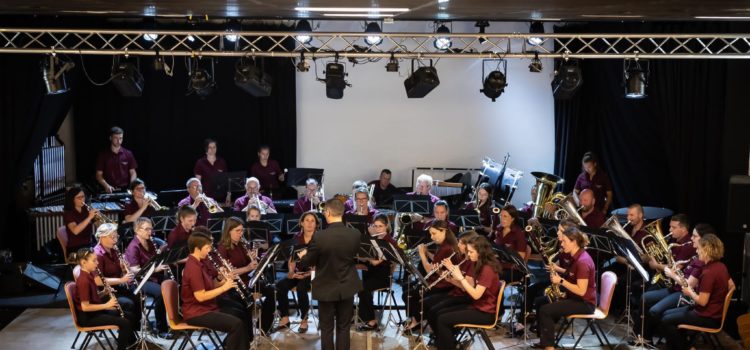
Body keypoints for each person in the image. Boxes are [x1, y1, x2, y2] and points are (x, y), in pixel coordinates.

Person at [632, 222, 712, 344]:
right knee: (645, 297)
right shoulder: (696, 256)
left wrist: (672, 274)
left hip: (683, 294)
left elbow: (689, 285)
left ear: (703, 238)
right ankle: (645, 337)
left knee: (655, 310)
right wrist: (676, 269)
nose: (691, 238)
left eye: (694, 236)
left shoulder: (701, 259)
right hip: (676, 288)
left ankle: (672, 341)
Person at [298, 199, 362, 350]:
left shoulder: (320, 236)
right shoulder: (355, 234)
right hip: (347, 286)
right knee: (344, 327)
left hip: (326, 287)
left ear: (327, 212)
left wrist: (303, 256)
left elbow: (308, 262)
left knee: (326, 329)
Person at [659, 234, 730, 350]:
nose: (696, 251)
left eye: (698, 249)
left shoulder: (709, 273)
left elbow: (702, 302)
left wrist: (689, 292)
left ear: (706, 250)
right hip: (714, 313)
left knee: (666, 320)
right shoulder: (721, 266)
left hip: (708, 317)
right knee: (666, 314)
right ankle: (682, 345)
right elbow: (731, 285)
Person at [182, 232, 250, 350]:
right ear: (197, 249)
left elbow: (209, 285)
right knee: (236, 324)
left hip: (206, 307)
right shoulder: (193, 267)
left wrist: (222, 281)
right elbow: (200, 296)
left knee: (239, 312)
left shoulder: (200, 262)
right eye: (207, 247)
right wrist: (224, 288)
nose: (210, 250)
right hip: (197, 313)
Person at [532, 226, 597, 350]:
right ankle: (544, 341)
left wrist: (560, 281)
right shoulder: (576, 256)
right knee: (542, 302)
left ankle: (549, 347)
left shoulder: (582, 261)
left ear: (574, 242)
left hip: (584, 303)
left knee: (546, 310)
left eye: (564, 241)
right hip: (575, 297)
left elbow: (581, 291)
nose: (561, 244)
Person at [433, 236, 502, 350]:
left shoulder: (487, 269)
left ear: (481, 252)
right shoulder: (479, 264)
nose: (468, 254)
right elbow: (471, 288)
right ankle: (448, 344)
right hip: (478, 306)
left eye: (471, 252)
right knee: (440, 314)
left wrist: (460, 277)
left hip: (485, 313)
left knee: (442, 319)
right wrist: (451, 279)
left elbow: (475, 294)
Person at [216, 217, 276, 334]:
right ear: (229, 231)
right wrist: (248, 268)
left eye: (242, 230)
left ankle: (263, 326)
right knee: (247, 303)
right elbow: (227, 273)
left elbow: (251, 265)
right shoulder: (223, 248)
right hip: (234, 285)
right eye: (238, 231)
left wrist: (254, 258)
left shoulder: (242, 244)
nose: (241, 233)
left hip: (248, 280)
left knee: (272, 291)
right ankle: (247, 336)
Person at [401, 220, 459, 333]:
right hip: (438, 280)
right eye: (431, 234)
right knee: (407, 289)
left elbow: (430, 270)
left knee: (409, 294)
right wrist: (427, 253)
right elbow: (438, 263)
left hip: (443, 284)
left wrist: (422, 255)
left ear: (444, 232)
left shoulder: (446, 248)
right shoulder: (444, 245)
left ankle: (416, 321)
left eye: (434, 233)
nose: (432, 237)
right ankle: (415, 319)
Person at [73, 248, 137, 350]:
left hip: (95, 313)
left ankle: (131, 342)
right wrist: (107, 305)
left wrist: (104, 293)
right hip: (88, 318)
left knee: (129, 315)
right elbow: (85, 307)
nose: (97, 263)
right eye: (94, 260)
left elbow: (92, 297)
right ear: (84, 262)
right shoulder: (83, 281)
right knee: (124, 322)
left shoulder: (88, 274)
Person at [423, 230, 479, 340]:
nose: (458, 245)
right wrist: (445, 276)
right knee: (427, 305)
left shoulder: (471, 262)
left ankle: (446, 336)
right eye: (459, 241)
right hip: (456, 292)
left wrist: (451, 270)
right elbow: (457, 281)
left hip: (464, 297)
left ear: (469, 245)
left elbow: (466, 287)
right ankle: (441, 335)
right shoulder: (463, 258)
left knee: (435, 311)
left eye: (461, 243)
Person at [123, 217, 170, 337]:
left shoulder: (150, 242)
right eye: (147, 229)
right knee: (160, 293)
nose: (150, 232)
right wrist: (155, 269)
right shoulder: (133, 247)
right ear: (137, 230)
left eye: (151, 229)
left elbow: (155, 260)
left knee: (170, 285)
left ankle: (172, 318)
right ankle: (161, 328)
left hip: (152, 277)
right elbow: (136, 271)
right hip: (138, 281)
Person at [275, 211, 319, 333]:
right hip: (298, 272)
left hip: (314, 272)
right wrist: (291, 272)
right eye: (307, 220)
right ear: (301, 223)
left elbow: (322, 261)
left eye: (312, 221)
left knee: (301, 287)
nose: (309, 223)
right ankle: (285, 317)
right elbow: (292, 259)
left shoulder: (320, 238)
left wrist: (309, 273)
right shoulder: (296, 237)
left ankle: (304, 319)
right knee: (280, 285)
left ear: (316, 224)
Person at [92, 223, 141, 326]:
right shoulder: (97, 254)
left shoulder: (113, 250)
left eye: (116, 236)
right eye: (112, 237)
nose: (115, 240)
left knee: (139, 295)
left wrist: (123, 269)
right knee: (128, 303)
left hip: (117, 287)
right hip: (104, 293)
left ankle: (135, 328)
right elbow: (97, 281)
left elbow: (118, 273)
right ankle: (126, 332)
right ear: (101, 237)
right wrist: (121, 280)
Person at [355, 213, 397, 331]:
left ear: (386, 227)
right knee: (354, 283)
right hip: (371, 272)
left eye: (380, 226)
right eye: (375, 226)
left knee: (362, 288)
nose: (377, 229)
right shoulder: (373, 239)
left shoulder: (389, 242)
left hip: (383, 275)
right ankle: (361, 316)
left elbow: (375, 262)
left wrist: (366, 256)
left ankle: (372, 321)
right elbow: (365, 258)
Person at [95, 126, 137, 193]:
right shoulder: (103, 155)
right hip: (109, 189)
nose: (119, 141)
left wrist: (132, 186)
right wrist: (106, 185)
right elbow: (98, 175)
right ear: (110, 138)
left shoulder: (128, 154)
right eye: (116, 138)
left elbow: (133, 172)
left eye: (120, 138)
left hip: (125, 189)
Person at [492, 205, 527, 283]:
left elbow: (520, 258)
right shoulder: (499, 229)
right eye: (501, 216)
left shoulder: (519, 234)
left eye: (505, 216)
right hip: (499, 264)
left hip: (513, 269)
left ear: (512, 218)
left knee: (492, 278)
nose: (502, 219)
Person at [194, 138, 230, 204]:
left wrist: (228, 195)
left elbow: (226, 180)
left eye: (214, 147)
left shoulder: (222, 161)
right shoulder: (200, 162)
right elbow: (197, 182)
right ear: (206, 148)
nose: (212, 149)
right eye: (210, 147)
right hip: (207, 198)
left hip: (221, 197)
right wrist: (200, 196)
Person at [63, 186, 97, 253]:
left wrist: (99, 218)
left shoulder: (86, 209)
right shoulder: (68, 213)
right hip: (76, 248)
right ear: (72, 199)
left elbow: (97, 224)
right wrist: (89, 217)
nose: (82, 199)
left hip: (89, 244)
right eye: (79, 197)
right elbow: (75, 231)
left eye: (83, 196)